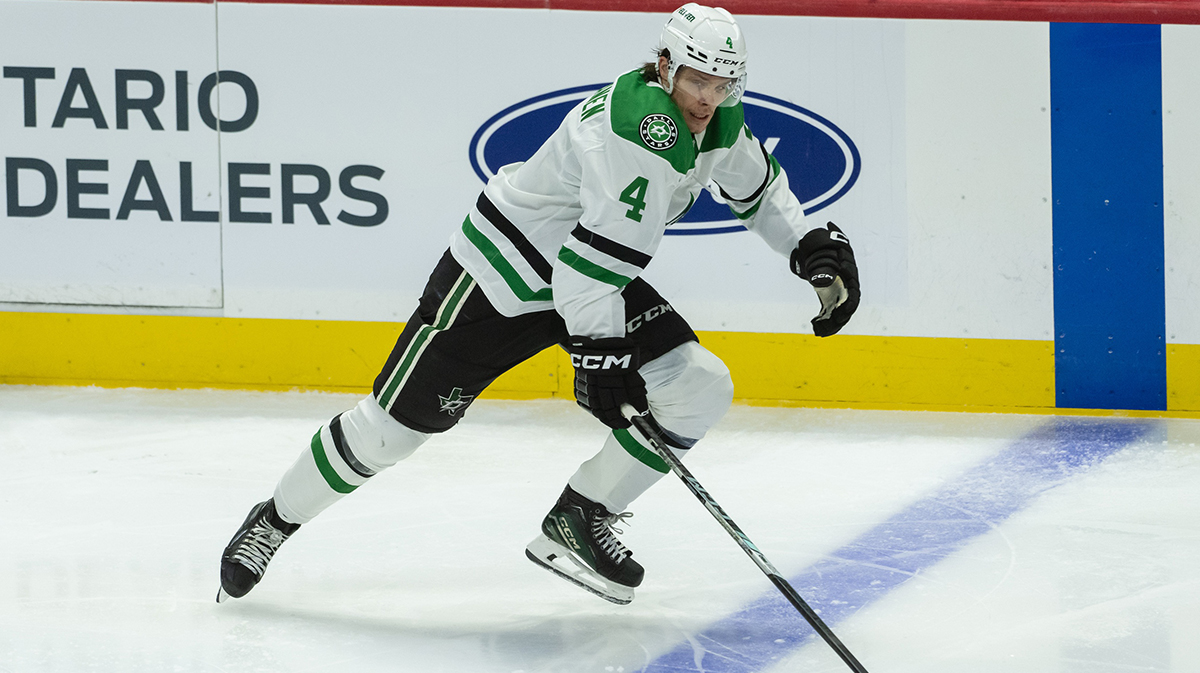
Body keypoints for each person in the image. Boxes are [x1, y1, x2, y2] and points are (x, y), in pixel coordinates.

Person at [217, 2, 860, 606]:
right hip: (502, 277)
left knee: (697, 385)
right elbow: (584, 273)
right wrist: (600, 356)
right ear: (665, 66)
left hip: (592, 274)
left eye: (723, 85)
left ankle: (580, 516)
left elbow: (754, 188)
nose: (707, 99)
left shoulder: (718, 119)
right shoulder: (640, 134)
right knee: (388, 432)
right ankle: (272, 521)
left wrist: (807, 246)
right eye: (697, 80)